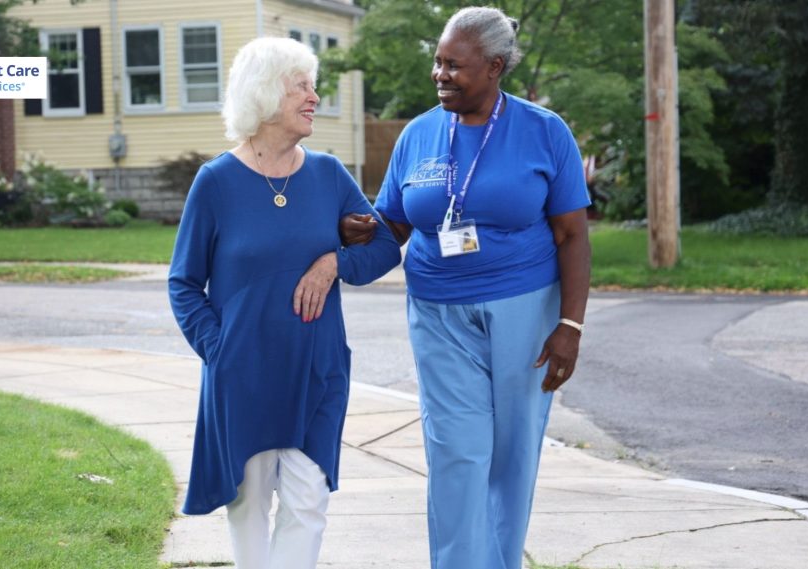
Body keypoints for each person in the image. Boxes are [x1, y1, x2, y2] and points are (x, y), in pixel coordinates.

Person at [340, 7, 591, 569]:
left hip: (525, 308)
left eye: (455, 65)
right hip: (437, 310)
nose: (440, 74)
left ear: (495, 67)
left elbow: (572, 234)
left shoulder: (544, 132)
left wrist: (570, 326)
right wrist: (353, 235)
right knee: (456, 451)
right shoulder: (418, 133)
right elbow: (394, 224)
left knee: (512, 453)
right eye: (438, 62)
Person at [168, 37, 401, 569]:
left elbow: (386, 245)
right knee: (249, 502)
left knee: (308, 497)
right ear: (265, 93)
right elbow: (184, 283)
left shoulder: (327, 174)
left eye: (311, 86)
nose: (313, 96)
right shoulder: (216, 183)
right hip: (243, 370)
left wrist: (333, 262)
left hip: (317, 366)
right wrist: (219, 348)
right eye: (301, 86)